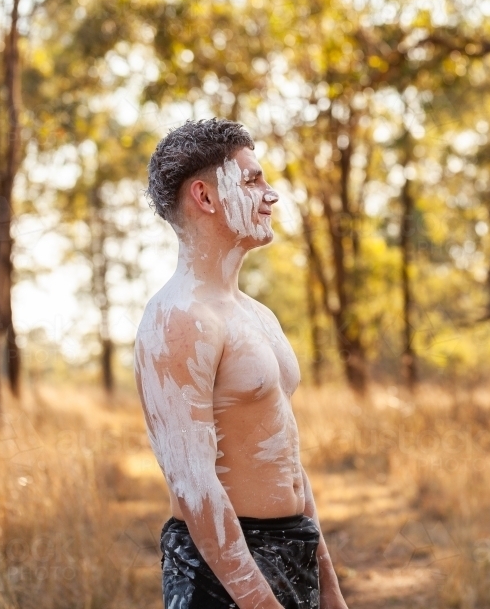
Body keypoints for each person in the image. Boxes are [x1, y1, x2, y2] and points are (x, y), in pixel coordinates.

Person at [134, 118, 348, 609]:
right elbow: (194, 487)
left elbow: (288, 459)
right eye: (252, 180)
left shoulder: (257, 313)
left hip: (292, 547)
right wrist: (260, 602)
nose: (271, 195)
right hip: (222, 574)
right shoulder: (178, 319)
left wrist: (329, 588)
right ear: (205, 197)